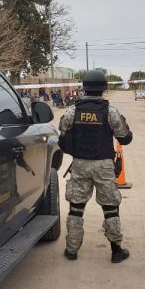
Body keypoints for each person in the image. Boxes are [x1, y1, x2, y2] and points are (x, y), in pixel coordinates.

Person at [58, 70, 133, 263]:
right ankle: (116, 251)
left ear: (84, 87)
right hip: (103, 166)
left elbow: (62, 135)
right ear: (104, 88)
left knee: (76, 208)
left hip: (80, 164)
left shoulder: (72, 111)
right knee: (110, 208)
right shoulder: (110, 111)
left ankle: (71, 250)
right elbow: (125, 138)